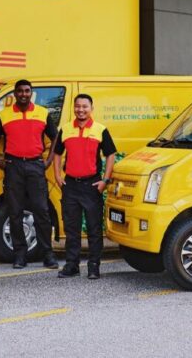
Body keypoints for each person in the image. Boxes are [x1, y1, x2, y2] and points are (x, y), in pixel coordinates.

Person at [0, 79, 60, 270]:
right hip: (14, 167)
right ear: (15, 93)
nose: (24, 94)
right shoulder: (4, 115)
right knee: (15, 212)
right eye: (20, 91)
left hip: (36, 166)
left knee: (41, 211)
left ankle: (48, 254)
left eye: (27, 91)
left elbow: (56, 138)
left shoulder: (42, 113)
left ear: (31, 93)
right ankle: (20, 254)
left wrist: (48, 160)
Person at [52, 94, 117, 279]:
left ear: (91, 108)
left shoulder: (100, 130)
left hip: (92, 185)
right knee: (71, 229)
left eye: (84, 106)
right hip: (71, 185)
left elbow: (111, 154)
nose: (81, 110)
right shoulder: (66, 129)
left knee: (94, 228)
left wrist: (105, 180)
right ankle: (72, 265)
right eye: (78, 106)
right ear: (74, 108)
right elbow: (57, 153)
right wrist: (57, 176)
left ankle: (94, 266)